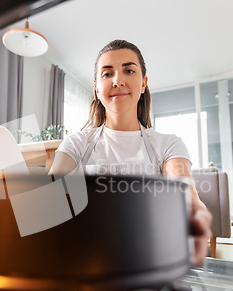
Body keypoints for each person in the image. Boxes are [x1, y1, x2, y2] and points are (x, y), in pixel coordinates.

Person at [51, 39, 212, 267]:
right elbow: (50, 201)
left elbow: (186, 195)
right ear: (97, 89)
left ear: (143, 83)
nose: (118, 80)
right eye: (107, 74)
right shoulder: (76, 144)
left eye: (128, 70)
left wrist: (194, 214)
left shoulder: (168, 145)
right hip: (86, 268)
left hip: (148, 268)